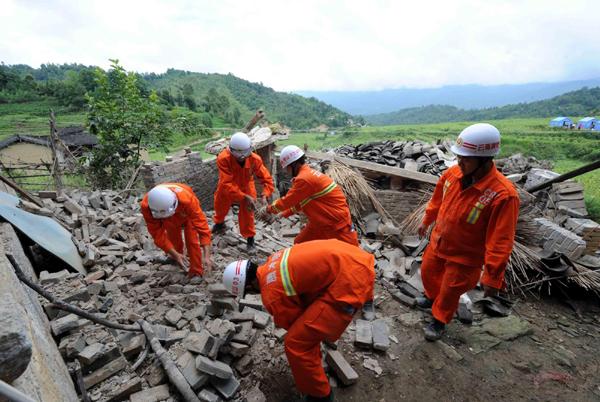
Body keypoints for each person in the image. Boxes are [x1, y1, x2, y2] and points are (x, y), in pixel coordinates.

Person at [222, 239, 375, 402]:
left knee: (296, 344)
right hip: (356, 259)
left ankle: (320, 396)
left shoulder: (271, 294)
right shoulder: (272, 260)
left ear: (250, 285)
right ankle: (315, 367)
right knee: (306, 332)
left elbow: (294, 322)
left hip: (351, 281)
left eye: (250, 292)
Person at [416, 123, 519, 341]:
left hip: (465, 257)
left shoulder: (502, 195)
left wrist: (492, 277)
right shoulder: (453, 175)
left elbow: (500, 239)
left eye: (466, 158)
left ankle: (439, 319)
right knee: (427, 272)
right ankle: (432, 297)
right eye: (459, 156)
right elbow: (436, 201)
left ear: (486, 160)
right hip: (439, 242)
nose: (460, 162)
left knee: (451, 290)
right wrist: (427, 220)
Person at [266, 145, 358, 246]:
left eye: (287, 168)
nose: (286, 172)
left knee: (351, 251)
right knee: (300, 243)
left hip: (336, 222)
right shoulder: (308, 175)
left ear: (293, 165)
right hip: (320, 222)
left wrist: (268, 209)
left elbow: (287, 201)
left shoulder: (304, 179)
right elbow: (301, 203)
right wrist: (282, 214)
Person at [212, 132, 274, 251]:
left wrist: (265, 194)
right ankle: (219, 223)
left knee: (248, 212)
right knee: (220, 204)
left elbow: (266, 179)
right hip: (227, 184)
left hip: (246, 185)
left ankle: (250, 239)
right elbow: (226, 183)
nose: (243, 157)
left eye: (245, 154)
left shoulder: (255, 159)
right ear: (232, 151)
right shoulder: (223, 158)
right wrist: (243, 196)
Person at [141, 183, 212, 277]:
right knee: (173, 236)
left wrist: (206, 256)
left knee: (192, 240)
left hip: (185, 212)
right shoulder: (147, 206)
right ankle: (178, 257)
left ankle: (196, 270)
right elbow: (157, 235)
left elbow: (202, 228)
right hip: (166, 214)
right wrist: (175, 254)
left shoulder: (187, 200)